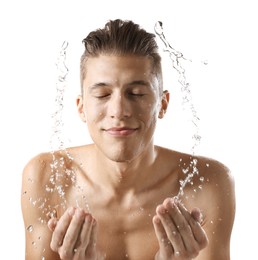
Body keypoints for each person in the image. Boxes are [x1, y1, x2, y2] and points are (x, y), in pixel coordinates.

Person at [21, 19, 235, 260]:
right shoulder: (47, 177)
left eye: (136, 93)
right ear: (81, 108)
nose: (119, 110)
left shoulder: (206, 184)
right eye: (102, 94)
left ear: (162, 104)